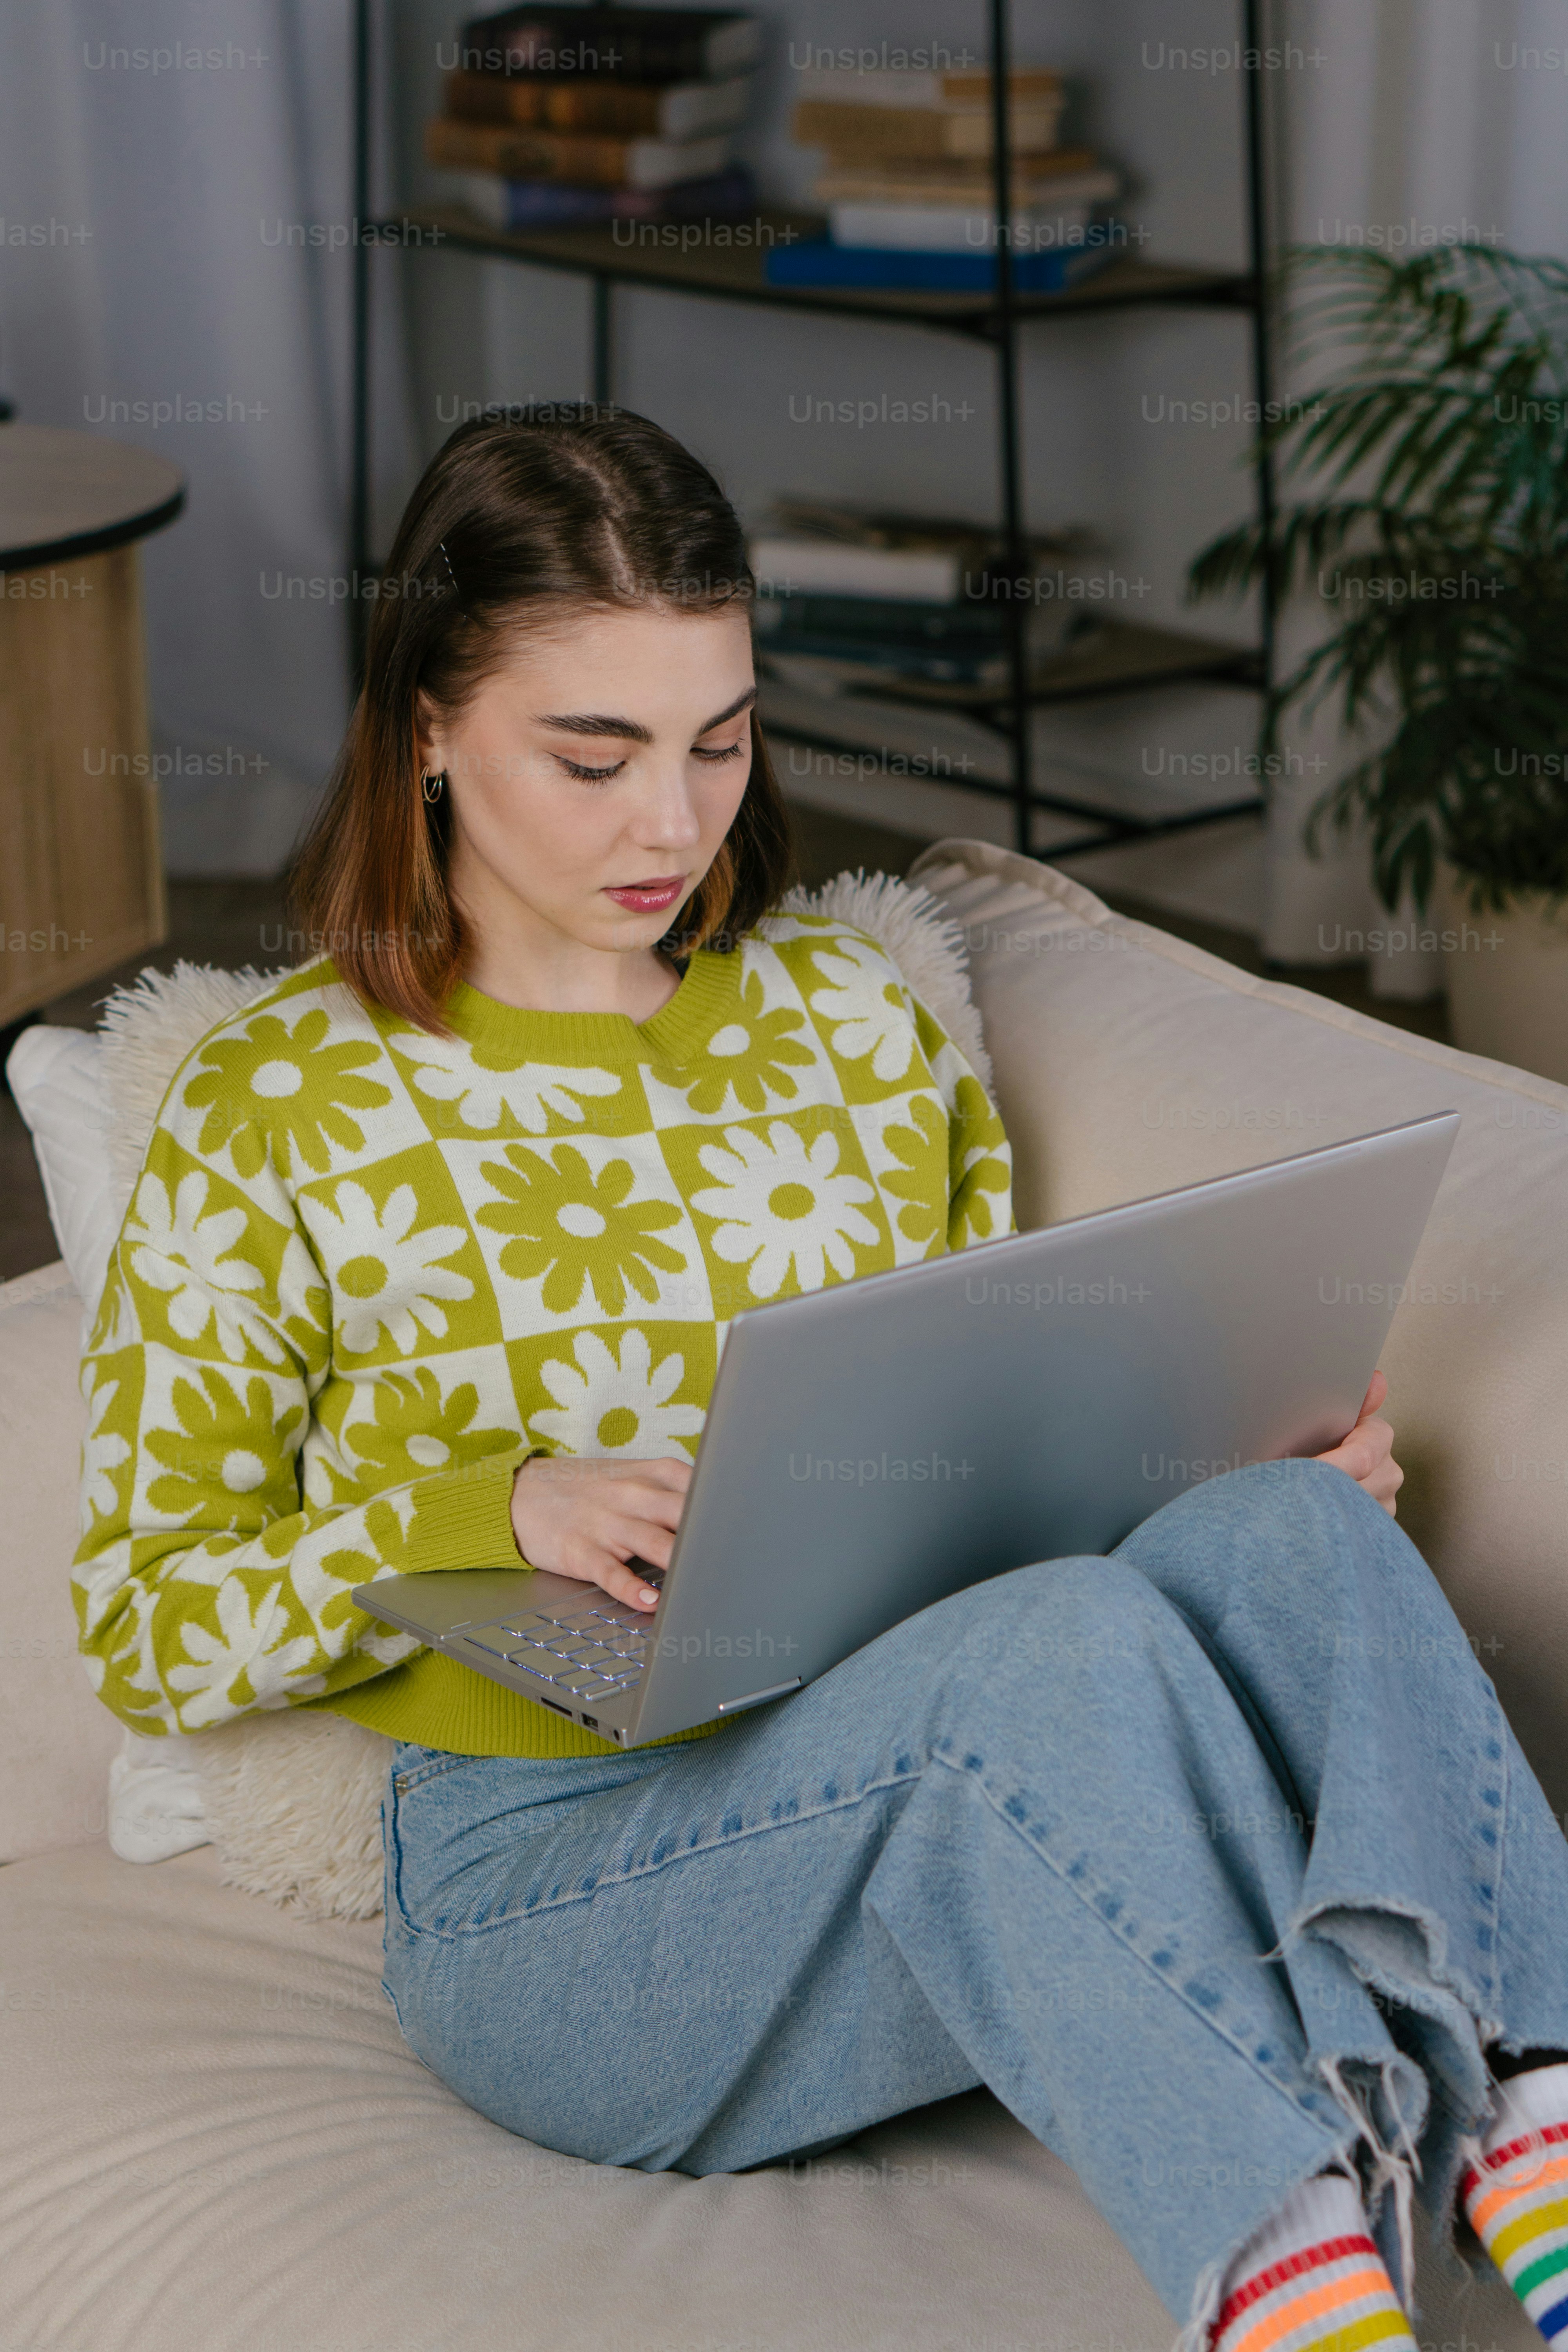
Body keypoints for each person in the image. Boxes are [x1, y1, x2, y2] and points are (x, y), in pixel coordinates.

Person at [74, 406, 1568, 2352]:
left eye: (719, 740)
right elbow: (146, 1617)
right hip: (555, 1893)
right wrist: (488, 1507)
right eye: (591, 755)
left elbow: (984, 1470)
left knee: (1283, 1527)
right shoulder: (280, 1097)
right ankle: (1297, 2281)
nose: (670, 823)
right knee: (1043, 1661)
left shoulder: (855, 1025)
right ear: (425, 729)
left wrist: (1216, 1467)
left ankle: (1527, 2106)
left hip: (918, 1778)